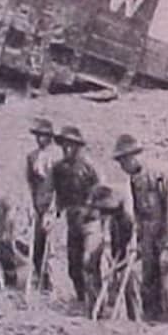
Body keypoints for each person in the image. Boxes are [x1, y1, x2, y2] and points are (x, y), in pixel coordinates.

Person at [112, 134, 168, 331]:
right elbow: (140, 214)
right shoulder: (134, 179)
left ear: (133, 156)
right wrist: (138, 241)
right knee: (149, 281)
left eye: (123, 161)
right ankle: (152, 327)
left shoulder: (161, 173)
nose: (122, 167)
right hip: (149, 237)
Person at [51, 126, 103, 302]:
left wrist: (92, 209)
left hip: (91, 221)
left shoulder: (90, 167)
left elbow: (102, 191)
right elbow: (56, 193)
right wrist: (54, 212)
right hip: (72, 220)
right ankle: (81, 297)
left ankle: (96, 300)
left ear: (78, 146)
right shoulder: (58, 168)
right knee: (73, 263)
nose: (67, 149)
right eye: (64, 145)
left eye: (71, 145)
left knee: (90, 262)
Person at [83, 184, 139, 320]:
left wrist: (123, 259)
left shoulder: (125, 212)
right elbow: (105, 233)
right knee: (91, 266)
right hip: (116, 242)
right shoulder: (105, 214)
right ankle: (97, 310)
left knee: (129, 279)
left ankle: (136, 317)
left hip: (131, 244)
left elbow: (133, 235)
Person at [26, 117, 58, 291]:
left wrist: (53, 208)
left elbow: (59, 186)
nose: (40, 139)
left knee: (51, 245)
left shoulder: (57, 157)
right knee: (37, 243)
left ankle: (52, 280)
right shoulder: (32, 157)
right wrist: (31, 206)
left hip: (53, 205)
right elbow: (30, 183)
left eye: (44, 136)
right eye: (38, 136)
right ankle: (40, 277)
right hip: (37, 203)